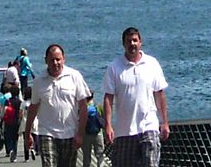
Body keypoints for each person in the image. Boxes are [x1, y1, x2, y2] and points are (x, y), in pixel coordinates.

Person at [101, 27, 169, 167]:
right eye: (129, 41)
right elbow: (108, 98)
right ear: (123, 44)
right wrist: (108, 125)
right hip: (124, 131)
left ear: (140, 42)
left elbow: (159, 94)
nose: (132, 44)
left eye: (135, 40)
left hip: (148, 126)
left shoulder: (152, 64)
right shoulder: (114, 68)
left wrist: (164, 122)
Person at [24, 45, 91, 167]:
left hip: (70, 133)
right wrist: (27, 133)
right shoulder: (39, 81)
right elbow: (33, 109)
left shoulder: (74, 76)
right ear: (46, 61)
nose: (55, 63)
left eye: (58, 59)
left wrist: (80, 133)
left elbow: (83, 107)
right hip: (47, 132)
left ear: (63, 59)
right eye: (51, 60)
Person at [78, 96, 105, 167]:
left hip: (86, 134)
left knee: (86, 155)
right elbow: (103, 119)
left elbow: (79, 120)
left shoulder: (83, 108)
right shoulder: (98, 106)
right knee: (100, 155)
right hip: (98, 134)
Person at [0, 83, 23, 162]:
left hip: (8, 121)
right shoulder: (19, 102)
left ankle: (10, 149)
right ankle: (14, 154)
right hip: (16, 121)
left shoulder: (7, 101)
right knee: (15, 138)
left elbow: (4, 111)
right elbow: (20, 112)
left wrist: (1, 119)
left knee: (8, 136)